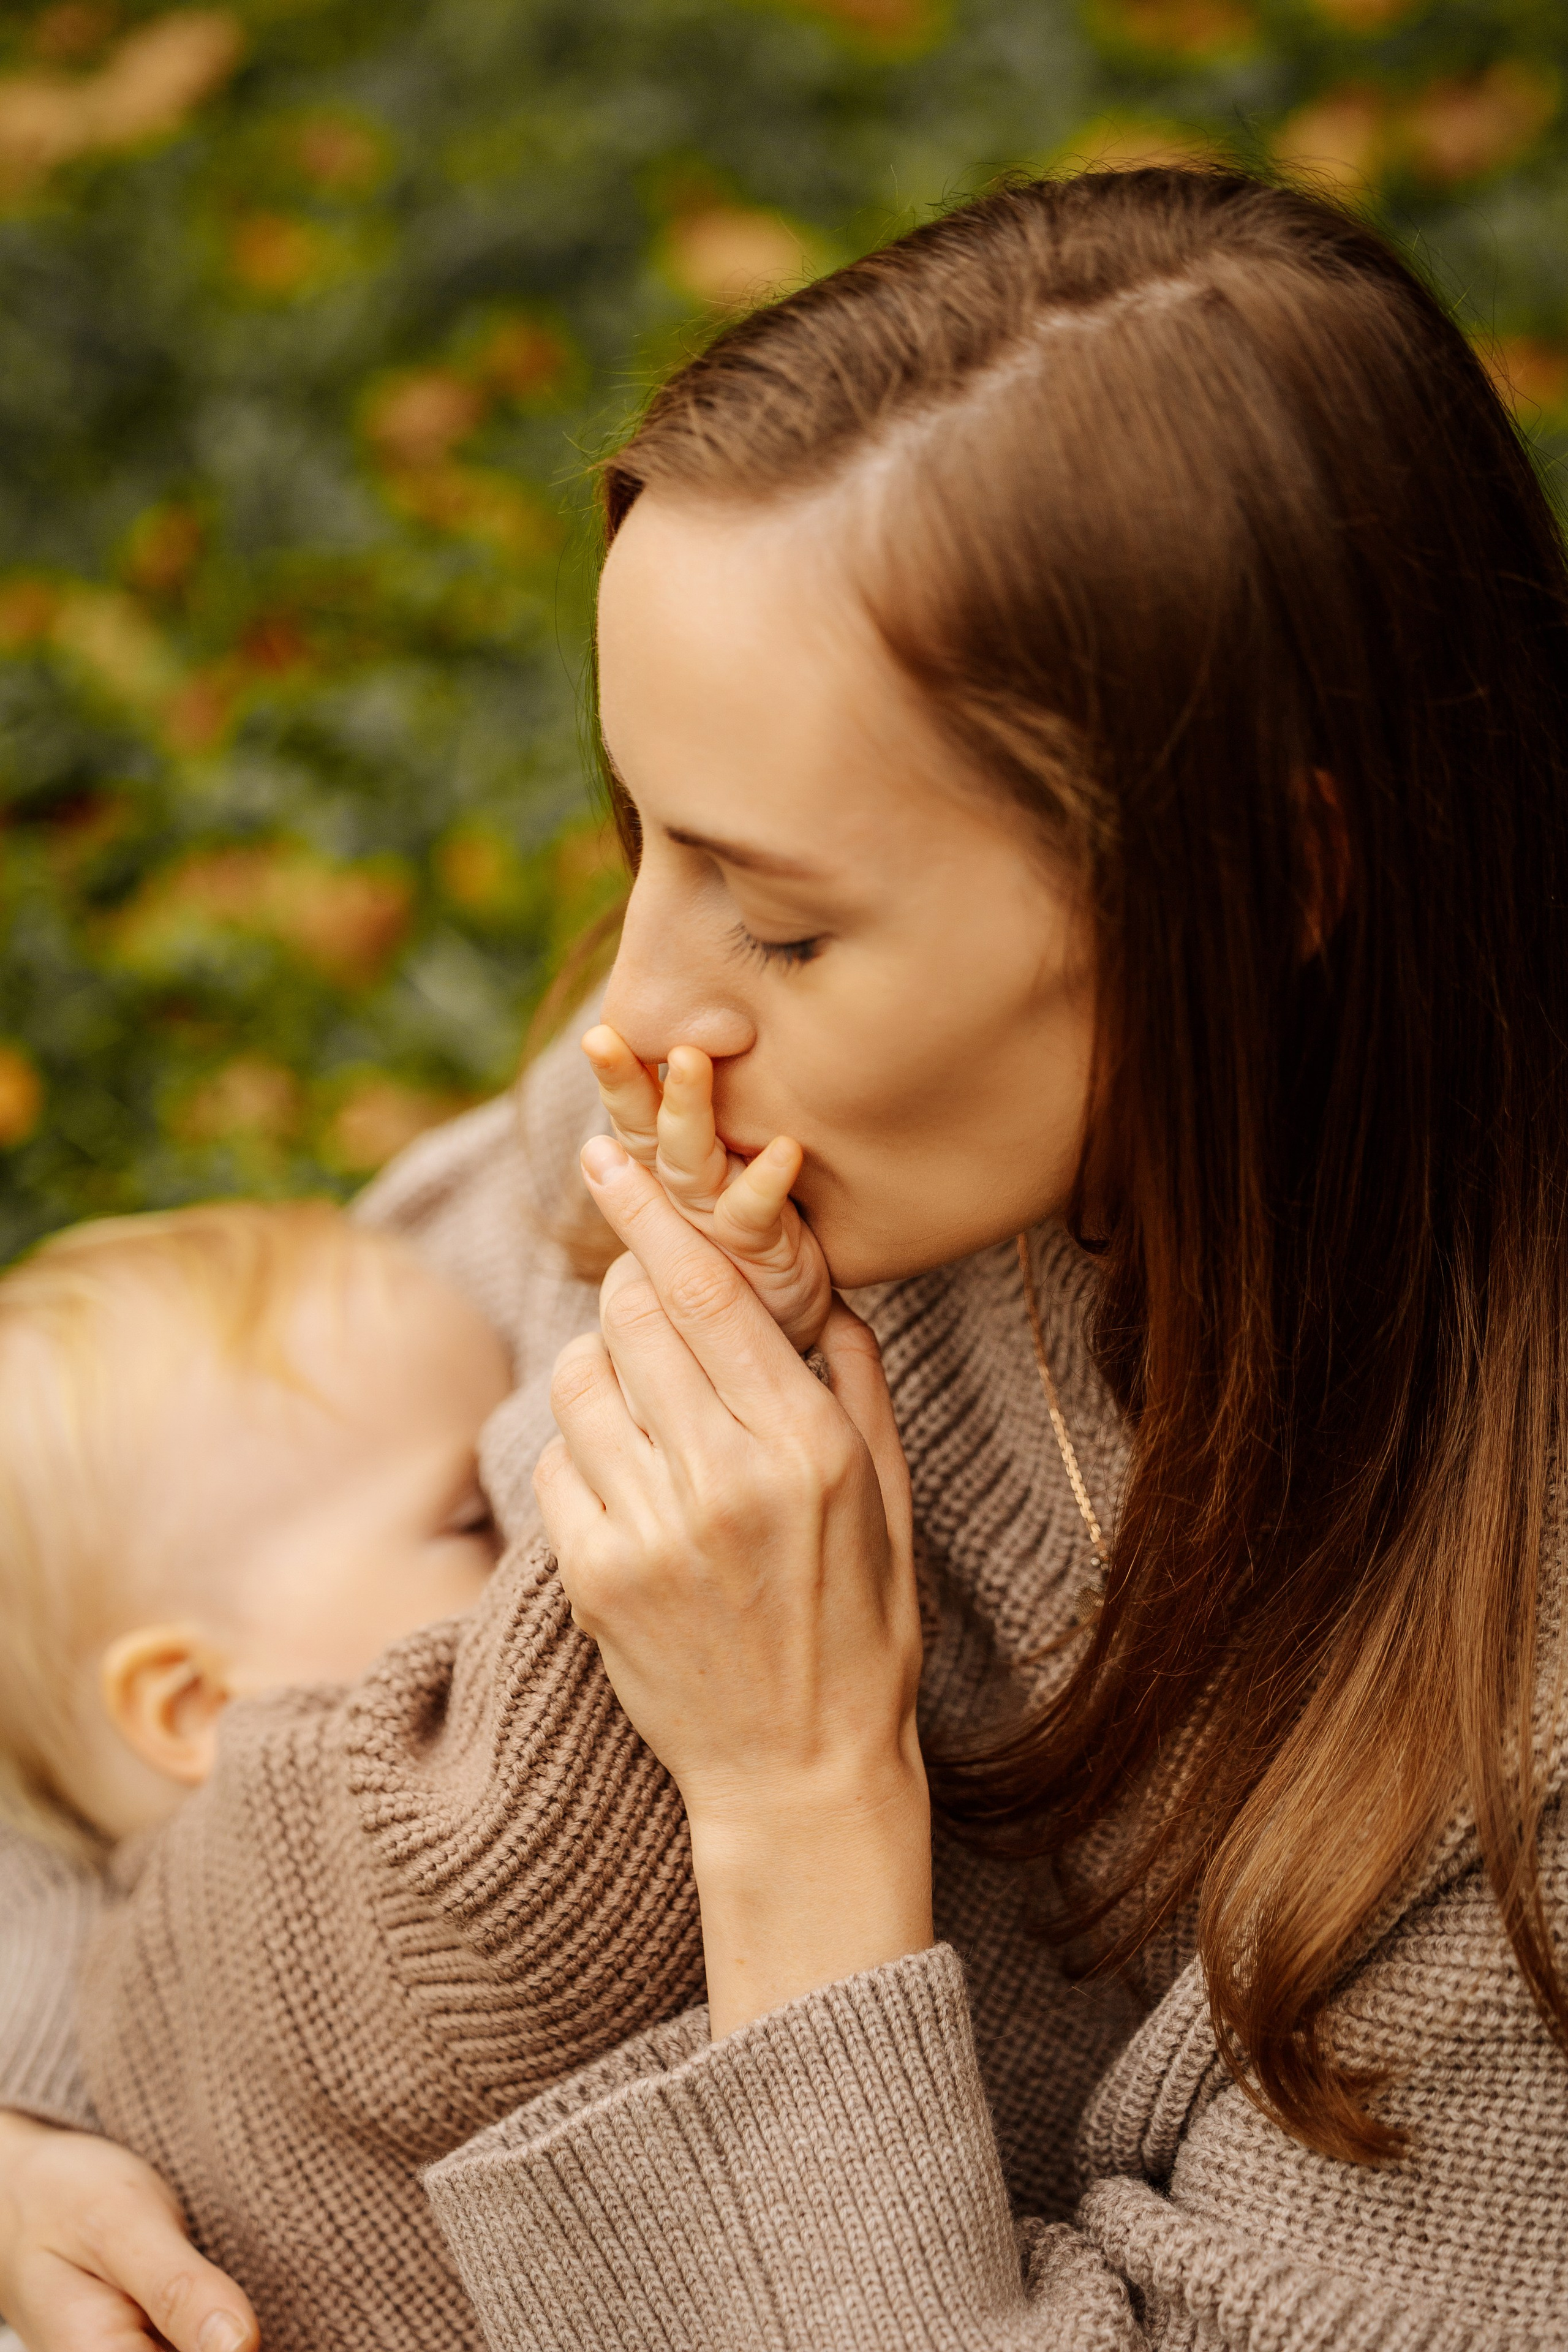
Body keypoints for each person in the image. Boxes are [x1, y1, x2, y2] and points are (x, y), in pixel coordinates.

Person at [2, 161, 1567, 2351]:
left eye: (789, 921)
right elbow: (100, 1560)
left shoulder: (1524, 1763)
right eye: (642, 840)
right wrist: (28, 2134)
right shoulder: (769, 1127)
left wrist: (803, 1803)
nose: (629, 1015)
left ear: (1274, 883)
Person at [0, 1139, 820, 2351]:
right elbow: (576, 1803)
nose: (545, 1502)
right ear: (192, 1706)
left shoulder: (128, 1963)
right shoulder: (303, 1848)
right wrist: (733, 1346)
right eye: (470, 1514)